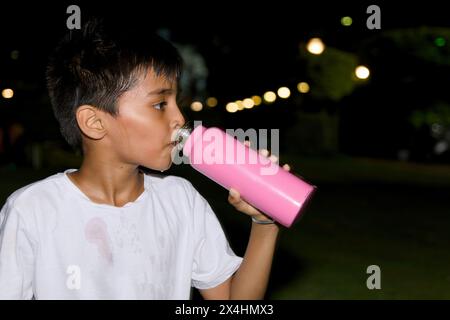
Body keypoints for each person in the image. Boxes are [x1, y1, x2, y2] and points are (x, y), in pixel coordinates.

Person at [0, 18, 290, 299]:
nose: (180, 118)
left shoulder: (181, 201)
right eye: (160, 104)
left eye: (178, 102)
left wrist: (265, 225)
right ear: (95, 122)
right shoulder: (32, 211)